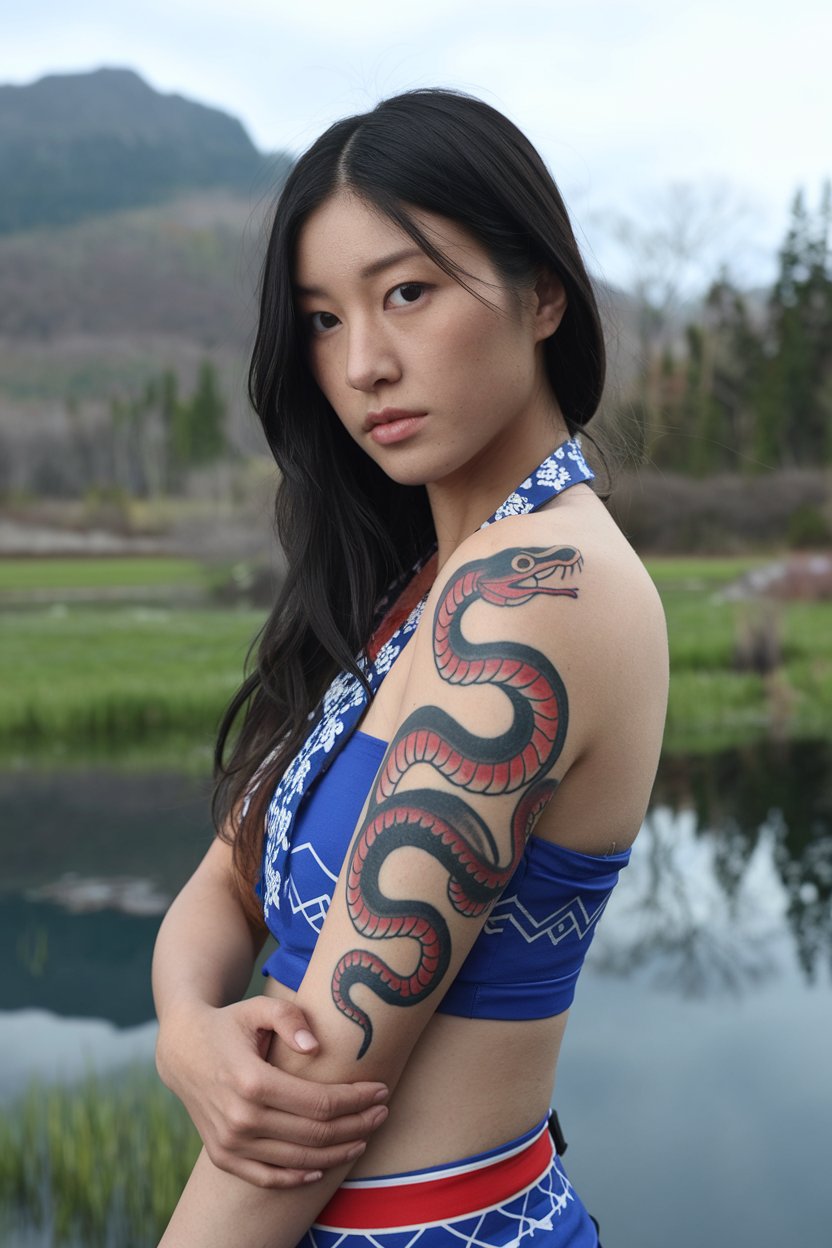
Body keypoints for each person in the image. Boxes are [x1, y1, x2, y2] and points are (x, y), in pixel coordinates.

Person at [152, 87, 669, 1246]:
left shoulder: (539, 594)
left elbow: (317, 1093)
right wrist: (185, 1024)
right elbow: (228, 880)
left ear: (542, 295)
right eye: (323, 320)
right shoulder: (418, 588)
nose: (363, 365)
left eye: (406, 292)